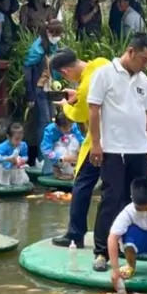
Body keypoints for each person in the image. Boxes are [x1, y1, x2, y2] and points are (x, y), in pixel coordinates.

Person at [88, 33, 147, 272]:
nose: (145, 65)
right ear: (130, 51)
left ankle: (130, 246)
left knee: (137, 201)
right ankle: (101, 252)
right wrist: (96, 144)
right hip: (113, 148)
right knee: (111, 198)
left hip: (139, 149)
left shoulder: (143, 80)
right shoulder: (104, 73)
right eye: (143, 59)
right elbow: (93, 110)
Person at [47, 48, 108, 249]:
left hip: (98, 141)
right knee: (115, 190)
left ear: (65, 71)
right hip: (120, 140)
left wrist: (65, 105)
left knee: (81, 186)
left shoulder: (86, 86)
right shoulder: (101, 63)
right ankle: (115, 238)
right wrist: (79, 96)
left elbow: (80, 115)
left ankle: (75, 235)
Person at [24, 18, 65, 157]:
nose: (58, 37)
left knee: (51, 118)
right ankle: (42, 156)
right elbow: (28, 69)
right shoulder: (37, 48)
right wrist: (30, 93)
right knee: (44, 121)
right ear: (48, 32)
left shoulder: (53, 45)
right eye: (56, 34)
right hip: (39, 88)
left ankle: (48, 153)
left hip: (50, 87)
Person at [39, 111, 85, 177]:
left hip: (69, 153)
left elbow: (81, 140)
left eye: (70, 126)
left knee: (75, 141)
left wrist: (81, 150)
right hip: (56, 155)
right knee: (61, 150)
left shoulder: (73, 126)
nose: (68, 130)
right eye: (65, 128)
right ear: (57, 125)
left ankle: (71, 169)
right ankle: (56, 168)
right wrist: (63, 158)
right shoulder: (50, 130)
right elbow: (46, 151)